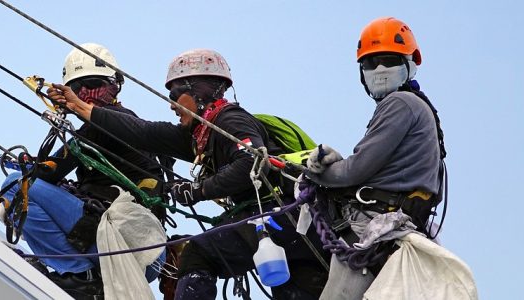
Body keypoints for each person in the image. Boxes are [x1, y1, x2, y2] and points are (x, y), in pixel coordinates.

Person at [48, 49, 329, 299]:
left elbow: (250, 164)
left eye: (174, 95)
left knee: (198, 255)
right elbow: (144, 132)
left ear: (198, 91)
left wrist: (199, 191)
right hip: (297, 226)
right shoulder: (198, 135)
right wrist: (81, 108)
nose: (171, 104)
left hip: (284, 215)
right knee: (294, 289)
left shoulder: (230, 119)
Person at [0, 43, 167, 300]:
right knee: (24, 188)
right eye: (77, 88)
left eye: (95, 84)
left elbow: (49, 173)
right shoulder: (116, 127)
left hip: (127, 243)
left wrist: (28, 168)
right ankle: (81, 275)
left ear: (114, 87)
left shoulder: (108, 121)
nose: (86, 94)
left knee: (14, 186)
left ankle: (79, 275)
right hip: (144, 252)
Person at [303, 17, 446, 299]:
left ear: (409, 65)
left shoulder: (399, 103)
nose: (379, 69)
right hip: (400, 221)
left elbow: (355, 171)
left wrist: (311, 173)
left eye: (388, 60)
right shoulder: (420, 108)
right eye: (371, 63)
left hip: (373, 224)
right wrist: (338, 161)